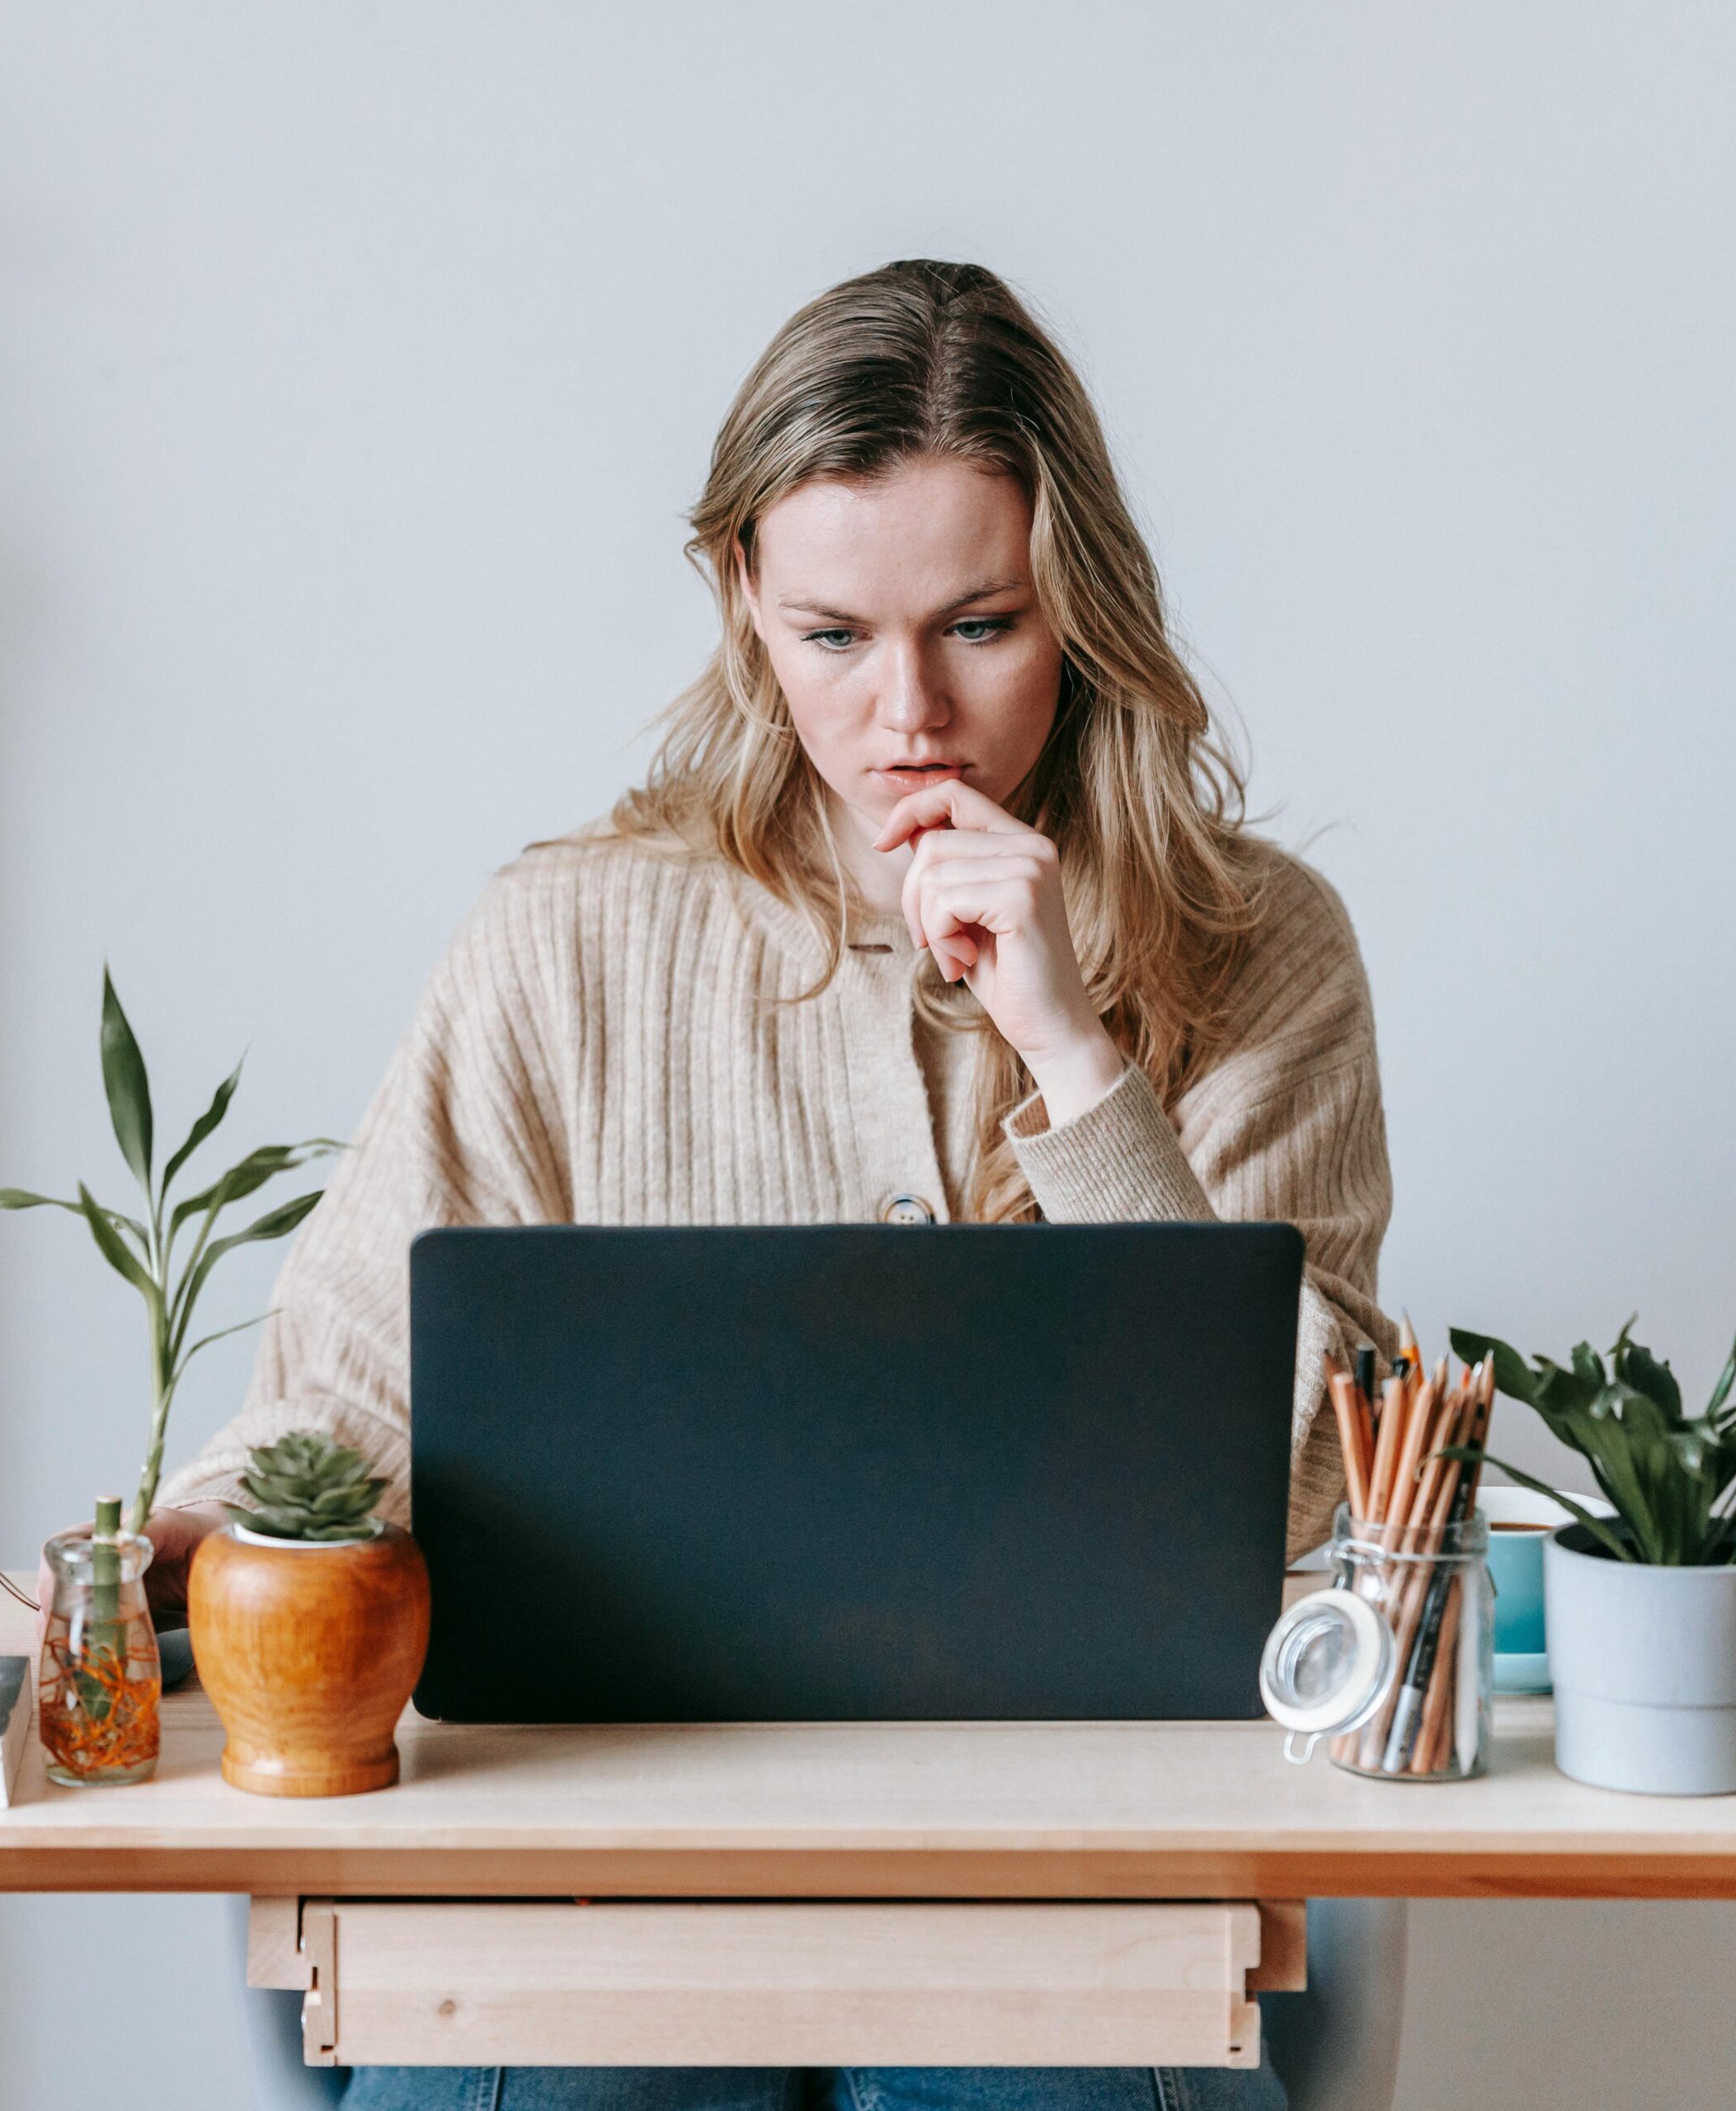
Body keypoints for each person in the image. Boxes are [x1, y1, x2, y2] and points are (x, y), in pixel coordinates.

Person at [156, 259, 1392, 2111]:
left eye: (977, 624)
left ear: (1081, 605)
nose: (906, 713)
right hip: (594, 1880)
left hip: (1078, 1893)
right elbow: (345, 1401)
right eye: (831, 635)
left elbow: (1314, 1478)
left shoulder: (1258, 945)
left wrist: (1072, 1052)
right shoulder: (562, 938)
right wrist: (148, 1567)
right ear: (741, 599)